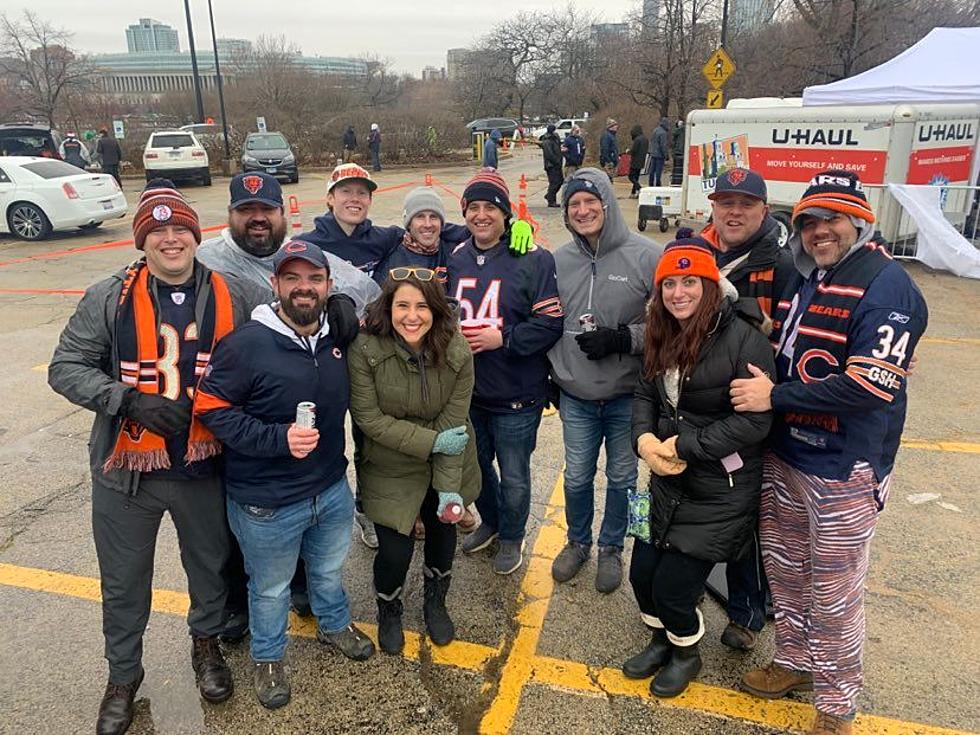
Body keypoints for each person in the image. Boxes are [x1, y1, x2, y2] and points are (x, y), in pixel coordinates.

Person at [48, 180, 268, 735]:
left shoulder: (237, 292)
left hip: (204, 463)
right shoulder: (108, 296)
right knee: (123, 582)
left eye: (180, 230)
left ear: (196, 235)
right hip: (129, 469)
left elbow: (284, 331)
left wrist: (337, 306)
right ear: (142, 241)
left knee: (210, 569)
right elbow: (66, 367)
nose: (171, 240)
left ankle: (206, 647)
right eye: (158, 231)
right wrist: (127, 400)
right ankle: (123, 677)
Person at [731, 171, 928, 735]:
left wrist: (776, 395)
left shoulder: (888, 284)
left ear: (860, 222)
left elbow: (870, 387)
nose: (820, 231)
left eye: (833, 219)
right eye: (810, 221)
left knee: (835, 590)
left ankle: (836, 705)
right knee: (787, 571)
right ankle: (794, 661)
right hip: (788, 454)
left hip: (844, 468)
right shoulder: (813, 276)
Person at [195, 240, 375, 710]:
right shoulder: (246, 345)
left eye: (314, 279)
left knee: (328, 571)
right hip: (266, 502)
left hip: (331, 489)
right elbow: (210, 408)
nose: (304, 288)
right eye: (292, 278)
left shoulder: (335, 336)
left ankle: (335, 625)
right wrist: (277, 439)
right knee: (271, 589)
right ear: (274, 285)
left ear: (329, 285)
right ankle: (269, 657)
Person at [626, 235, 775, 699]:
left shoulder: (743, 339)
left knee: (674, 587)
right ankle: (662, 640)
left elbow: (755, 423)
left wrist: (687, 446)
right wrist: (643, 440)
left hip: (720, 488)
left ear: (711, 286)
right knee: (641, 574)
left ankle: (687, 652)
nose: (678, 293)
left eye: (690, 281)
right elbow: (644, 394)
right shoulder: (661, 329)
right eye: (669, 283)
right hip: (665, 480)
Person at [348, 269, 480, 655]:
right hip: (390, 461)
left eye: (422, 306)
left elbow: (454, 427)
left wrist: (449, 490)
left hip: (449, 457)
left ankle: (435, 603)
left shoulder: (456, 350)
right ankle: (389, 608)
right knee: (394, 551)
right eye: (402, 305)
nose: (412, 316)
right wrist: (432, 440)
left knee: (443, 535)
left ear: (436, 310)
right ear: (387, 308)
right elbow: (369, 420)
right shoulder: (365, 349)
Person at [548, 169, 662, 593]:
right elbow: (546, 320)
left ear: (607, 204)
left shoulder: (646, 256)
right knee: (576, 476)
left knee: (622, 477)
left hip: (626, 395)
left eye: (590, 201)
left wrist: (623, 338)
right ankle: (577, 541)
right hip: (576, 394)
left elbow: (670, 326)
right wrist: (549, 373)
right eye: (573, 204)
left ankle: (613, 546)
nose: (582, 211)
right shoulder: (558, 261)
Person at [447, 169, 563, 574]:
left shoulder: (533, 258)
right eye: (473, 207)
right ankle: (493, 523)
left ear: (505, 213)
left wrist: (505, 338)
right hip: (470, 394)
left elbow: (551, 323)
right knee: (476, 472)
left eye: (490, 208)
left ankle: (513, 535)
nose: (481, 215)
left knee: (514, 476)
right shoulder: (457, 257)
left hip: (516, 393)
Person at [701, 167, 796, 652]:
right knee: (687, 503)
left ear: (763, 209)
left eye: (746, 204)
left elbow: (792, 344)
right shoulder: (698, 251)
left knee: (743, 518)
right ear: (713, 206)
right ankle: (688, 582)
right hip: (695, 407)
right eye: (726, 202)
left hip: (745, 411)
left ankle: (747, 612)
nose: (734, 212)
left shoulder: (781, 266)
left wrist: (754, 322)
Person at [298, 163, 469, 284]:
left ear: (370, 200)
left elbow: (420, 230)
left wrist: (475, 231)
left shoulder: (385, 238)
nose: (355, 199)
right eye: (346, 191)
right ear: (330, 198)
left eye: (362, 193)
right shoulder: (307, 245)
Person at [540, 124, 564, 208]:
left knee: (560, 181)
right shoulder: (547, 140)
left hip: (557, 164)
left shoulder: (555, 137)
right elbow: (549, 154)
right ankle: (551, 200)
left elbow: (558, 148)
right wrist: (556, 161)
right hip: (551, 165)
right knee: (554, 182)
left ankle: (549, 195)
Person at [628, 124, 649, 198]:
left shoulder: (637, 140)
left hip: (635, 161)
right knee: (636, 177)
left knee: (630, 177)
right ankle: (633, 192)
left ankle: (639, 188)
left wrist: (628, 151)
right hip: (642, 161)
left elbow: (634, 150)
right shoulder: (645, 139)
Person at [648, 118, 670, 187]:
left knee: (652, 170)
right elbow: (663, 145)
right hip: (660, 155)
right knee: (658, 171)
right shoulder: (663, 133)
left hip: (653, 153)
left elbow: (651, 141)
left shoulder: (655, 130)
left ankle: (650, 183)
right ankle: (658, 184)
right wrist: (666, 155)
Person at [670, 120, 685, 186]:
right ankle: (680, 180)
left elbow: (673, 136)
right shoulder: (686, 131)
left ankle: (675, 181)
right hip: (683, 152)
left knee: (676, 168)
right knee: (681, 169)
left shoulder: (678, 131)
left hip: (678, 151)